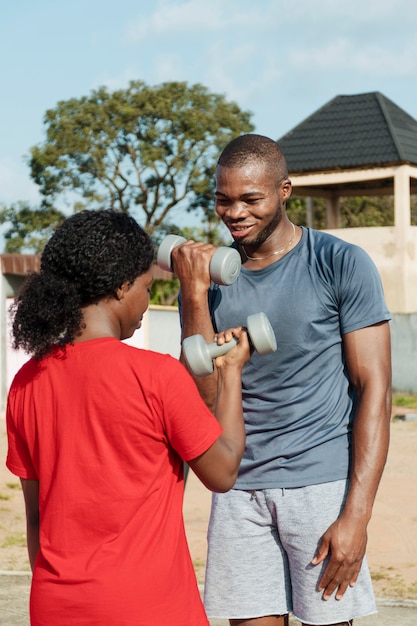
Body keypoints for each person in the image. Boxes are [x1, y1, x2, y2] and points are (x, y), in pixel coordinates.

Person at [172, 134, 392, 626]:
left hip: (320, 486)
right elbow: (204, 400)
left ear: (284, 191)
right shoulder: (209, 282)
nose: (235, 213)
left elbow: (374, 391)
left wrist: (356, 516)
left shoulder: (339, 262)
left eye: (251, 199)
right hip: (239, 490)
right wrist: (192, 293)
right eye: (223, 200)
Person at [5, 209, 251, 626]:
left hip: (56, 607)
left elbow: (35, 517)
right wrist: (231, 375)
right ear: (121, 286)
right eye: (146, 287)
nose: (146, 302)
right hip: (149, 607)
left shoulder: (27, 381)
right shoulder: (156, 375)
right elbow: (223, 471)